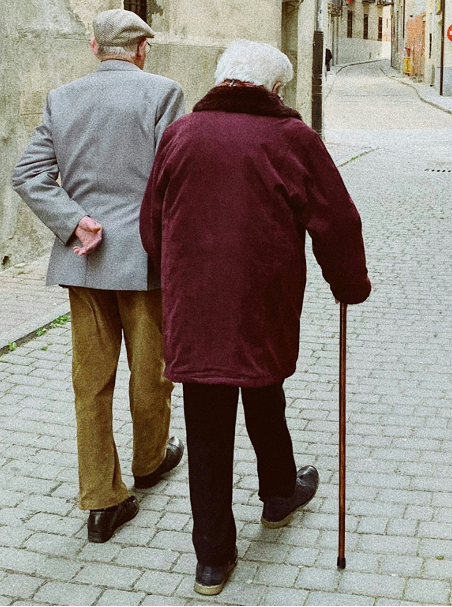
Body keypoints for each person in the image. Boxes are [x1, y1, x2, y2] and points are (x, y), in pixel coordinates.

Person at [140, 40, 371, 595]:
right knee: (265, 392)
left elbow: (152, 224)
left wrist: (176, 269)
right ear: (274, 89)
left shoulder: (181, 134)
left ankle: (213, 561)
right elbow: (337, 221)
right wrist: (349, 285)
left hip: (195, 306)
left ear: (222, 82)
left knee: (206, 422)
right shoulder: (290, 137)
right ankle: (277, 495)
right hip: (262, 299)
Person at [12, 9, 186, 544]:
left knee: (91, 382)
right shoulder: (164, 93)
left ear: (94, 48)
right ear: (141, 49)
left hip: (84, 260)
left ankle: (101, 500)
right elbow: (173, 176)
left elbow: (28, 175)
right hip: (146, 260)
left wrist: (73, 221)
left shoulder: (62, 98)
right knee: (150, 370)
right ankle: (149, 461)